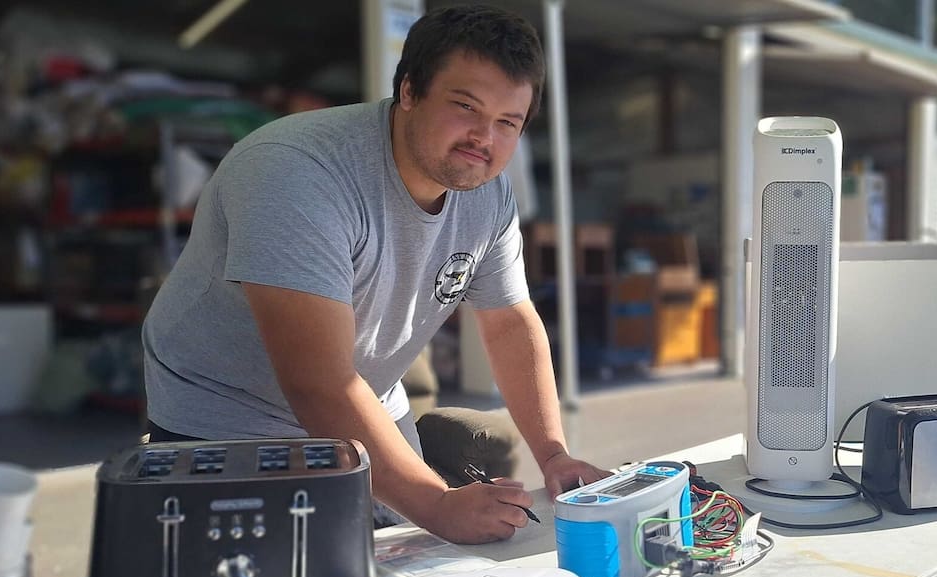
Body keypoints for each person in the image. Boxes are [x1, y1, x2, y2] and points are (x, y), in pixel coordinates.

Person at [141, 4, 610, 544]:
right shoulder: (295, 174)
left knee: (410, 564)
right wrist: (435, 502)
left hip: (369, 397)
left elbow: (508, 322)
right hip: (227, 421)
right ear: (409, 90)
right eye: (465, 107)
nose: (484, 137)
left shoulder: (486, 192)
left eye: (508, 122)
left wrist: (553, 455)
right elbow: (318, 384)